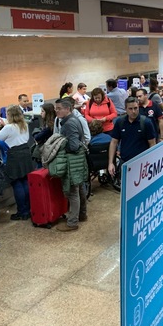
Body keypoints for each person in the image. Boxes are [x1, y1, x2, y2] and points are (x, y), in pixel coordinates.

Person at [0, 105, 34, 221]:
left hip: (14, 155)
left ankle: (21, 211)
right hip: (25, 153)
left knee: (16, 183)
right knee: (25, 181)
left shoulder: (9, 127)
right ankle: (29, 209)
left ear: (9, 115)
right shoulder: (24, 124)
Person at [54, 98, 89, 232]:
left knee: (73, 191)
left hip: (73, 160)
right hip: (78, 160)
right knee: (79, 188)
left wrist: (61, 146)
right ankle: (82, 214)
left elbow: (73, 146)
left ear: (67, 109)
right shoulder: (74, 119)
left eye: (59, 108)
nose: (56, 111)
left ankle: (72, 222)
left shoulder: (69, 123)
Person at [108, 97, 157, 175]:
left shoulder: (146, 123)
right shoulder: (120, 122)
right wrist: (110, 163)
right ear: (126, 109)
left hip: (143, 164)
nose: (133, 111)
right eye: (130, 109)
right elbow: (114, 142)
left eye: (135, 108)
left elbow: (152, 144)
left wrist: (151, 162)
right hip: (125, 163)